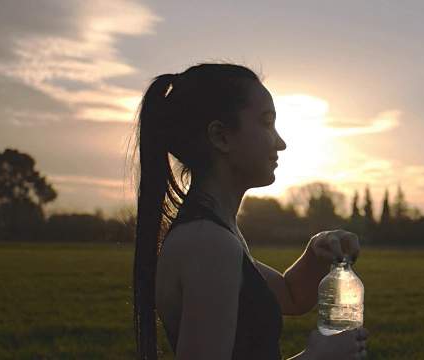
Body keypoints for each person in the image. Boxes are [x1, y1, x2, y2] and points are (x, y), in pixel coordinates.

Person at [132, 63, 369, 360]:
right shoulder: (208, 242)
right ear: (221, 137)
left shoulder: (216, 234)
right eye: (267, 123)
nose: (280, 143)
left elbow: (290, 295)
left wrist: (315, 252)